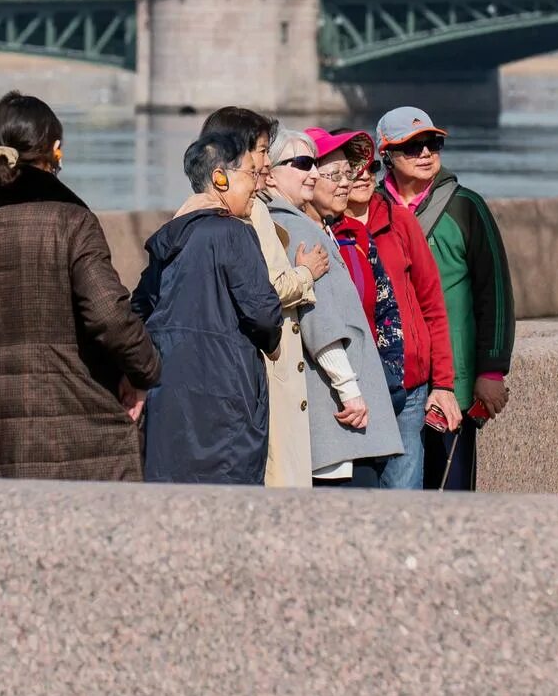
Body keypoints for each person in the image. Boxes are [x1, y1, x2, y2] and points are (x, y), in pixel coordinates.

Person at [0, 92, 161, 480]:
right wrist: (144, 372)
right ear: (55, 151)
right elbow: (110, 316)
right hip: (83, 440)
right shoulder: (73, 224)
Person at [182, 107, 328, 487]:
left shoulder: (195, 209)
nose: (266, 161)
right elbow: (268, 288)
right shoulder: (250, 211)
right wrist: (306, 274)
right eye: (262, 151)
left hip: (218, 368)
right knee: (277, 474)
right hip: (261, 363)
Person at [131, 130, 284, 485]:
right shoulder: (233, 233)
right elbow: (264, 314)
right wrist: (273, 340)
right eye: (250, 172)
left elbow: (137, 310)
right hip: (227, 401)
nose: (257, 184)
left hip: (170, 400)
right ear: (220, 177)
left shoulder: (169, 240)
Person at [375, 106, 516, 491]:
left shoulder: (465, 206)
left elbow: (496, 294)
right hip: (390, 381)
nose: (425, 153)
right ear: (385, 155)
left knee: (448, 495)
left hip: (454, 383)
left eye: (432, 143)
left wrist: (491, 371)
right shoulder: (370, 210)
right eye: (412, 146)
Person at [267, 127, 403, 486]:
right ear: (268, 171)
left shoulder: (312, 228)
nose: (312, 173)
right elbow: (322, 323)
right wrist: (350, 391)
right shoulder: (300, 231)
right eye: (303, 164)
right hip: (340, 419)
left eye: (315, 164)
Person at [343, 134, 459, 489]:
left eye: (371, 168)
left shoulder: (400, 222)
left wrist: (443, 384)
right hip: (353, 387)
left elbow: (432, 305)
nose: (364, 176)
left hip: (409, 386)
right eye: (353, 169)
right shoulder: (325, 229)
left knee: (403, 495)